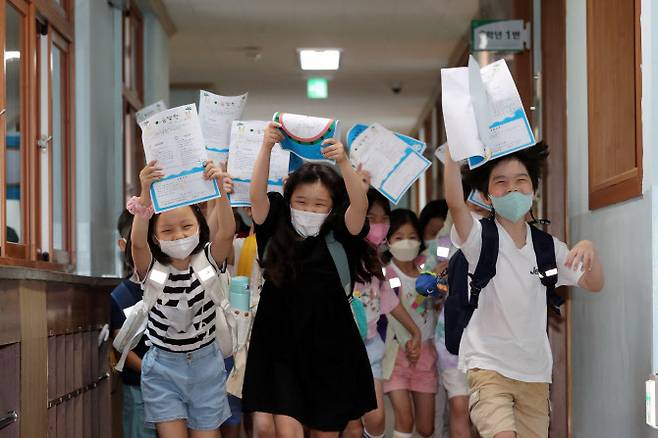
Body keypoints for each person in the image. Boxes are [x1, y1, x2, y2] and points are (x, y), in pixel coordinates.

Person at [443, 143, 604, 438]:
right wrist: (454, 159)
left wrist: (589, 249)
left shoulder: (548, 248)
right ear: (486, 195)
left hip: (534, 374)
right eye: (500, 182)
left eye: (521, 181)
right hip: (488, 367)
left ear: (534, 189)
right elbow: (455, 205)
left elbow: (594, 284)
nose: (512, 189)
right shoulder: (479, 239)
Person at [242, 121, 378, 437]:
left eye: (319, 205)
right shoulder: (274, 224)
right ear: (289, 201)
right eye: (301, 203)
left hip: (332, 349)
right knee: (287, 428)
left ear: (332, 209)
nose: (309, 210)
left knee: (325, 431)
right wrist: (265, 147)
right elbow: (256, 195)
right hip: (280, 346)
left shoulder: (341, 234)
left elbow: (360, 204)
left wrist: (343, 162)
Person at [129, 159, 236, 438]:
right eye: (167, 231)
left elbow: (226, 231)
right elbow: (137, 243)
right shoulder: (151, 268)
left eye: (186, 226)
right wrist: (144, 196)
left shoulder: (208, 261)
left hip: (206, 366)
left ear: (199, 226)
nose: (178, 235)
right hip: (162, 368)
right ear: (155, 236)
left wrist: (221, 192)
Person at [343, 189, 422, 438]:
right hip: (343, 351)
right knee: (353, 425)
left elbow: (389, 299)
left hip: (371, 347)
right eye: (370, 217)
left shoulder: (376, 262)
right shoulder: (342, 253)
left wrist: (415, 330)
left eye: (383, 218)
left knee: (376, 418)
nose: (378, 225)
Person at [383, 209, 439, 438]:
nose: (406, 242)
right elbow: (391, 314)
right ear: (387, 242)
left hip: (426, 355)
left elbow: (445, 240)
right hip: (397, 353)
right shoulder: (386, 274)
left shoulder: (427, 268)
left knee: (426, 429)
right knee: (404, 419)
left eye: (412, 236)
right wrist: (409, 341)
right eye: (398, 237)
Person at [110, 209, 156, 438]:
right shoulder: (121, 296)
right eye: (136, 242)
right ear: (123, 244)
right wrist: (152, 369)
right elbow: (123, 348)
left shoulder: (168, 287)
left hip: (172, 387)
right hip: (139, 387)